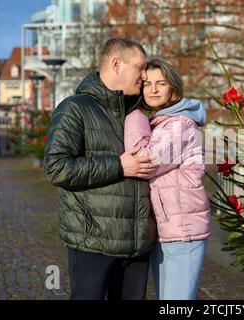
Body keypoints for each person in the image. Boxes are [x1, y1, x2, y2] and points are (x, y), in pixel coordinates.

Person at [43, 38, 158, 300]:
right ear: (117, 64)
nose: (144, 75)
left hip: (136, 246)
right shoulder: (75, 108)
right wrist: (119, 165)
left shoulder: (137, 113)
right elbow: (56, 167)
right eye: (139, 67)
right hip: (92, 244)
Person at [124, 58, 211, 300]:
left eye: (160, 83)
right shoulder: (161, 123)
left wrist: (134, 117)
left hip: (183, 230)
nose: (152, 89)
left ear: (172, 87)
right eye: (147, 83)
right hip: (166, 229)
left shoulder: (180, 126)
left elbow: (144, 161)